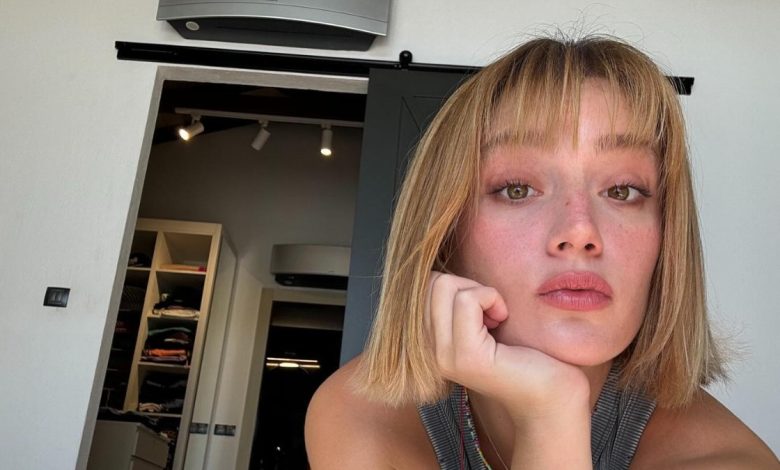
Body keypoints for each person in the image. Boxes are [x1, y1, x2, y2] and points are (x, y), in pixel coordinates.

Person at [305, 35, 779, 469]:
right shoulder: (365, 416)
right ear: (445, 235)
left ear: (667, 241)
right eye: (516, 189)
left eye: (622, 190)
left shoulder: (727, 461)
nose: (580, 231)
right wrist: (550, 409)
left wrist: (548, 415)